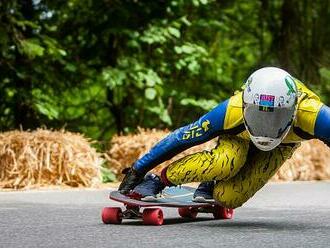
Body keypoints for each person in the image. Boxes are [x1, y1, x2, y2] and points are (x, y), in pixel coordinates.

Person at [118, 67, 330, 208]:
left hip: (283, 144)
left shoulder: (313, 115)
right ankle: (159, 180)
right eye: (258, 113)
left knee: (229, 198)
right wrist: (139, 169)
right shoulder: (230, 110)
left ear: (294, 110)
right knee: (225, 162)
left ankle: (210, 184)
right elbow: (184, 136)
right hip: (238, 138)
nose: (267, 125)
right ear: (245, 105)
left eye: (277, 115)